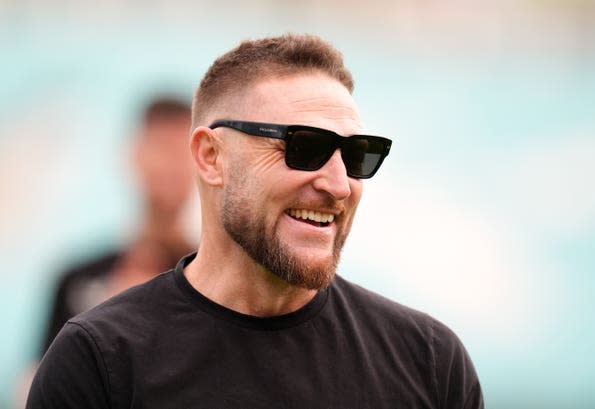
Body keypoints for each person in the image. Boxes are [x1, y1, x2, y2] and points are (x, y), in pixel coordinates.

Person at [27, 33, 484, 408]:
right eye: (304, 148)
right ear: (210, 158)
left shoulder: (429, 362)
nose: (339, 184)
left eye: (357, 155)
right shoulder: (98, 360)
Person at [40, 96, 196, 353]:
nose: (171, 165)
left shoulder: (210, 282)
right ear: (135, 155)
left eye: (181, 152)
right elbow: (40, 380)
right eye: (161, 148)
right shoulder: (78, 280)